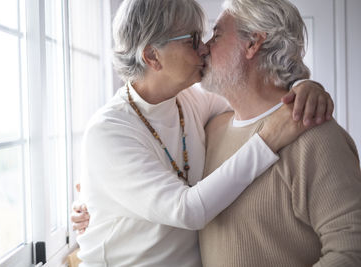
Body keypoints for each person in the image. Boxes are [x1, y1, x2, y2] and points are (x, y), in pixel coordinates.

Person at [73, 0, 334, 266]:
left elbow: (255, 101)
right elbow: (187, 210)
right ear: (152, 56)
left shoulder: (190, 102)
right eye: (192, 39)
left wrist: (302, 84)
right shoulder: (109, 131)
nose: (204, 48)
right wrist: (270, 138)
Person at [198, 0, 361, 266]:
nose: (204, 47)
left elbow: (350, 250)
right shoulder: (210, 129)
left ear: (253, 43)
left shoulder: (316, 137)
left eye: (216, 35)